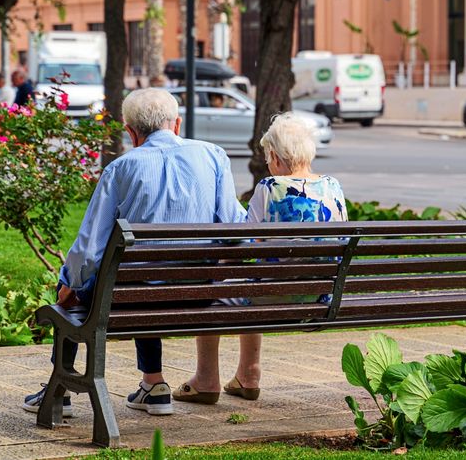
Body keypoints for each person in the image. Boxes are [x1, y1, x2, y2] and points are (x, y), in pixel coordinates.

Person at [22, 88, 246, 417]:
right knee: (143, 277)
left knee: (83, 284)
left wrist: (68, 285)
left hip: (132, 296)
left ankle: (60, 392)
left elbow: (89, 247)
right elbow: (235, 227)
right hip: (197, 293)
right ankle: (153, 386)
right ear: (177, 124)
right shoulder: (213, 156)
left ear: (131, 132)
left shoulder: (121, 168)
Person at [173, 112, 347, 405]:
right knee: (252, 283)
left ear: (276, 157)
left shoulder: (270, 187)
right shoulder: (333, 186)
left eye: (268, 157)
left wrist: (221, 265)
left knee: (211, 292)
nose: (268, 164)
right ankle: (248, 375)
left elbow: (246, 244)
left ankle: (206, 380)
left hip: (271, 296)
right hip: (319, 296)